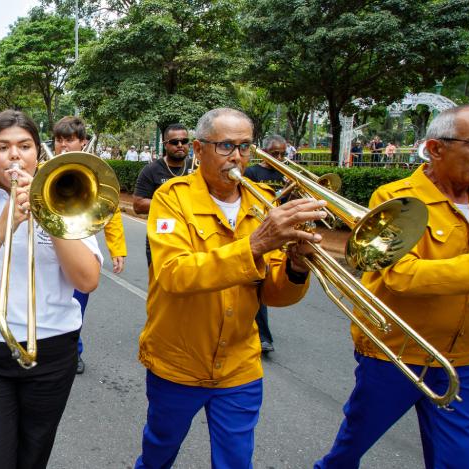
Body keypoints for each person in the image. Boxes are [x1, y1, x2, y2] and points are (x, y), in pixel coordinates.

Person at [135, 108, 324, 468]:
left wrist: (298, 267)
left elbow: (273, 295)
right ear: (198, 149)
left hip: (239, 365)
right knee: (159, 450)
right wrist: (255, 245)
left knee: (237, 461)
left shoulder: (264, 202)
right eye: (225, 146)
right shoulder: (171, 198)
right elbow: (175, 274)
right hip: (178, 362)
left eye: (244, 146)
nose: (236, 156)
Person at [316, 105, 469, 469]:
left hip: (460, 361)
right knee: (350, 450)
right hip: (394, 355)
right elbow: (401, 275)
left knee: (461, 461)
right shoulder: (396, 198)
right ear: (436, 148)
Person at [0, 110, 102, 469]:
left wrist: (47, 213)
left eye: (24, 146)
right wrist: (0, 228)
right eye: (2, 146)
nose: (14, 155)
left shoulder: (66, 200)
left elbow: (87, 280)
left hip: (53, 351)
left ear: (37, 153)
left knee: (32, 459)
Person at [52, 116, 127, 375]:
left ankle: (74, 350)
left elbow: (111, 211)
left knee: (77, 304)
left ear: (82, 142)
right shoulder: (43, 167)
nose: (62, 145)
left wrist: (117, 249)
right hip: (47, 249)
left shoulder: (96, 171)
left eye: (69, 139)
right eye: (59, 139)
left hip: (81, 247)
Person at [244, 134, 289, 354]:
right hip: (257, 231)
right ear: (265, 151)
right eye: (275, 154)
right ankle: (263, 337)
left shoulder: (285, 174)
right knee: (257, 281)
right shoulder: (252, 173)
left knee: (267, 283)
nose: (279, 158)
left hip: (278, 235)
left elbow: (287, 205)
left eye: (282, 154)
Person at [133, 124, 194, 265]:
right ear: (165, 145)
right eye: (174, 142)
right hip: (162, 237)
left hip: (193, 236)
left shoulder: (197, 168)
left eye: (184, 141)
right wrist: (173, 204)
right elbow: (138, 205)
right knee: (162, 284)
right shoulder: (151, 170)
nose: (180, 145)